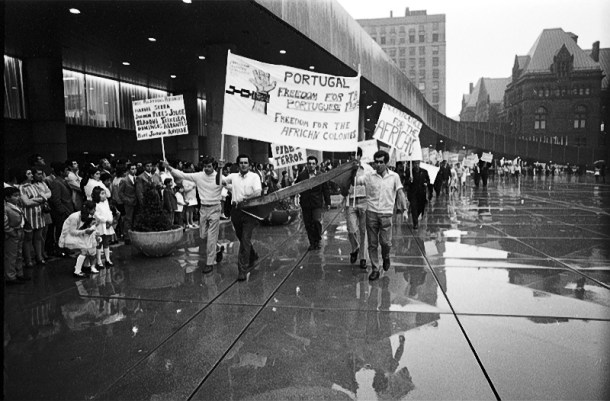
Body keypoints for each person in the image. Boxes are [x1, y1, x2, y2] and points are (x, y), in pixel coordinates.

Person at [166, 156, 225, 274]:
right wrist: (169, 167)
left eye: (209, 166)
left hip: (215, 208)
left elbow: (227, 184)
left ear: (213, 166)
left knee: (211, 237)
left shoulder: (220, 176)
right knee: (203, 235)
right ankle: (218, 248)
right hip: (203, 209)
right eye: (205, 166)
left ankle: (209, 263)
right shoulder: (198, 176)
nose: (207, 169)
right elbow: (182, 174)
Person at [356, 150, 407, 281]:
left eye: (381, 162)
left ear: (386, 163)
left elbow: (400, 193)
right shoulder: (369, 176)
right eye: (376, 162)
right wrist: (352, 168)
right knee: (372, 244)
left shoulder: (394, 177)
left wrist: (404, 209)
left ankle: (386, 256)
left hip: (386, 214)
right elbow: (356, 180)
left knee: (385, 242)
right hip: (371, 213)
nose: (378, 165)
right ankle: (375, 269)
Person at [222, 154, 262, 281]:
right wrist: (219, 167)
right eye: (241, 163)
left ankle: (242, 270)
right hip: (236, 212)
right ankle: (253, 254)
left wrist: (245, 199)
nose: (243, 165)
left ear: (249, 165)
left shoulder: (254, 176)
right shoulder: (233, 177)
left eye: (246, 163)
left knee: (245, 239)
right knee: (242, 238)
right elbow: (219, 181)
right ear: (238, 165)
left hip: (249, 212)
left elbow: (257, 192)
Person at [343, 147, 372, 269]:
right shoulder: (345, 170)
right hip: (350, 202)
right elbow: (342, 188)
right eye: (351, 155)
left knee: (363, 231)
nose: (353, 158)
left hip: (364, 202)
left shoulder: (367, 169)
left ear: (360, 156)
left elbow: (372, 185)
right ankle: (355, 248)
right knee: (351, 229)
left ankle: (363, 258)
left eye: (355, 155)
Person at [295, 155, 331, 251]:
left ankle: (317, 239)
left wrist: (328, 202)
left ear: (316, 165)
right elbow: (296, 187)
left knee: (316, 221)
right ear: (307, 164)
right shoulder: (301, 175)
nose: (311, 165)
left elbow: (325, 189)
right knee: (308, 224)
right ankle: (312, 242)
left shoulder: (321, 175)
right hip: (305, 204)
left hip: (317, 204)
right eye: (309, 164)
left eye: (313, 164)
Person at [58, 201, 100, 278]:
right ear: (88, 209)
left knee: (89, 246)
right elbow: (72, 231)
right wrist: (85, 231)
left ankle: (86, 265)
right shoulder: (75, 217)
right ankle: (77, 271)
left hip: (78, 235)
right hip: (68, 237)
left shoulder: (87, 216)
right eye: (93, 209)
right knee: (84, 249)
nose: (94, 211)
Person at [18, 168, 47, 267]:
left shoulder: (35, 186)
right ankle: (28, 260)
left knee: (38, 237)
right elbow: (26, 202)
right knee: (28, 239)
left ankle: (39, 258)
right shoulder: (21, 187)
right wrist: (39, 200)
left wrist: (34, 199)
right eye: (29, 173)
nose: (31, 175)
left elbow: (45, 197)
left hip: (38, 215)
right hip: (28, 216)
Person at [47, 162, 75, 257]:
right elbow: (56, 199)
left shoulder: (63, 181)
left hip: (68, 210)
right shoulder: (56, 182)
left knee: (66, 231)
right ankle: (60, 250)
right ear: (61, 172)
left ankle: (66, 248)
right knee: (61, 232)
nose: (68, 172)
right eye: (66, 170)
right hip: (62, 212)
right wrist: (62, 211)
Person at [4, 187, 31, 285]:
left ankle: (19, 273)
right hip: (12, 234)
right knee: (11, 256)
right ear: (7, 198)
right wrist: (12, 232)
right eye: (15, 196)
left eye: (18, 195)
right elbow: (5, 224)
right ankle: (10, 276)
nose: (18, 197)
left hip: (20, 231)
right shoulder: (6, 208)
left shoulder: (16, 206)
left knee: (19, 254)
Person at [91, 186, 114, 269]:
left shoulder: (106, 202)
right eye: (102, 194)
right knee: (99, 243)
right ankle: (99, 261)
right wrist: (106, 220)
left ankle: (108, 259)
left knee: (106, 242)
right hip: (100, 225)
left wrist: (110, 220)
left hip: (107, 225)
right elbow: (97, 215)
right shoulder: (96, 204)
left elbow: (109, 211)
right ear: (97, 195)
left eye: (104, 193)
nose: (104, 195)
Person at [404, 161, 430, 230]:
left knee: (421, 208)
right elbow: (405, 183)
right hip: (413, 194)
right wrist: (409, 181)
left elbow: (428, 180)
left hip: (421, 194)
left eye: (417, 163)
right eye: (415, 164)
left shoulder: (424, 171)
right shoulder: (409, 172)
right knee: (414, 208)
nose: (416, 165)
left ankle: (417, 215)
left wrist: (426, 183)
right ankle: (415, 223)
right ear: (413, 164)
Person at [118, 163, 137, 244]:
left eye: (135, 168)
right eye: (132, 168)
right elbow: (120, 193)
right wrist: (126, 200)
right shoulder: (124, 180)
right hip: (128, 202)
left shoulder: (137, 178)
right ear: (129, 170)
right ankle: (127, 237)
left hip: (136, 201)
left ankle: (134, 235)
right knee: (128, 219)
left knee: (135, 219)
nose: (134, 170)